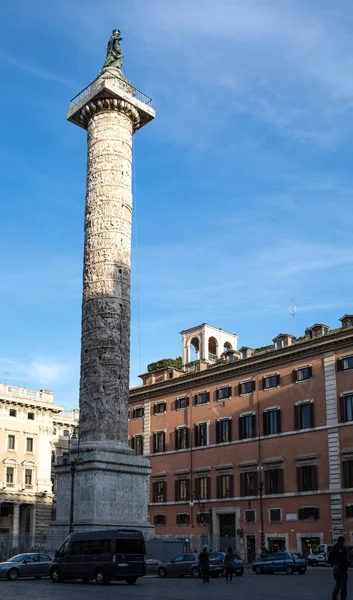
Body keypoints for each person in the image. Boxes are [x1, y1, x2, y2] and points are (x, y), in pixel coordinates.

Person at [328, 536, 349, 600]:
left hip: (335, 569)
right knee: (343, 585)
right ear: (342, 541)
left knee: (338, 584)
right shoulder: (343, 548)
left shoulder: (333, 548)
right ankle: (343, 598)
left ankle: (334, 597)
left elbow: (329, 559)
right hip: (342, 569)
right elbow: (344, 559)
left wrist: (334, 565)